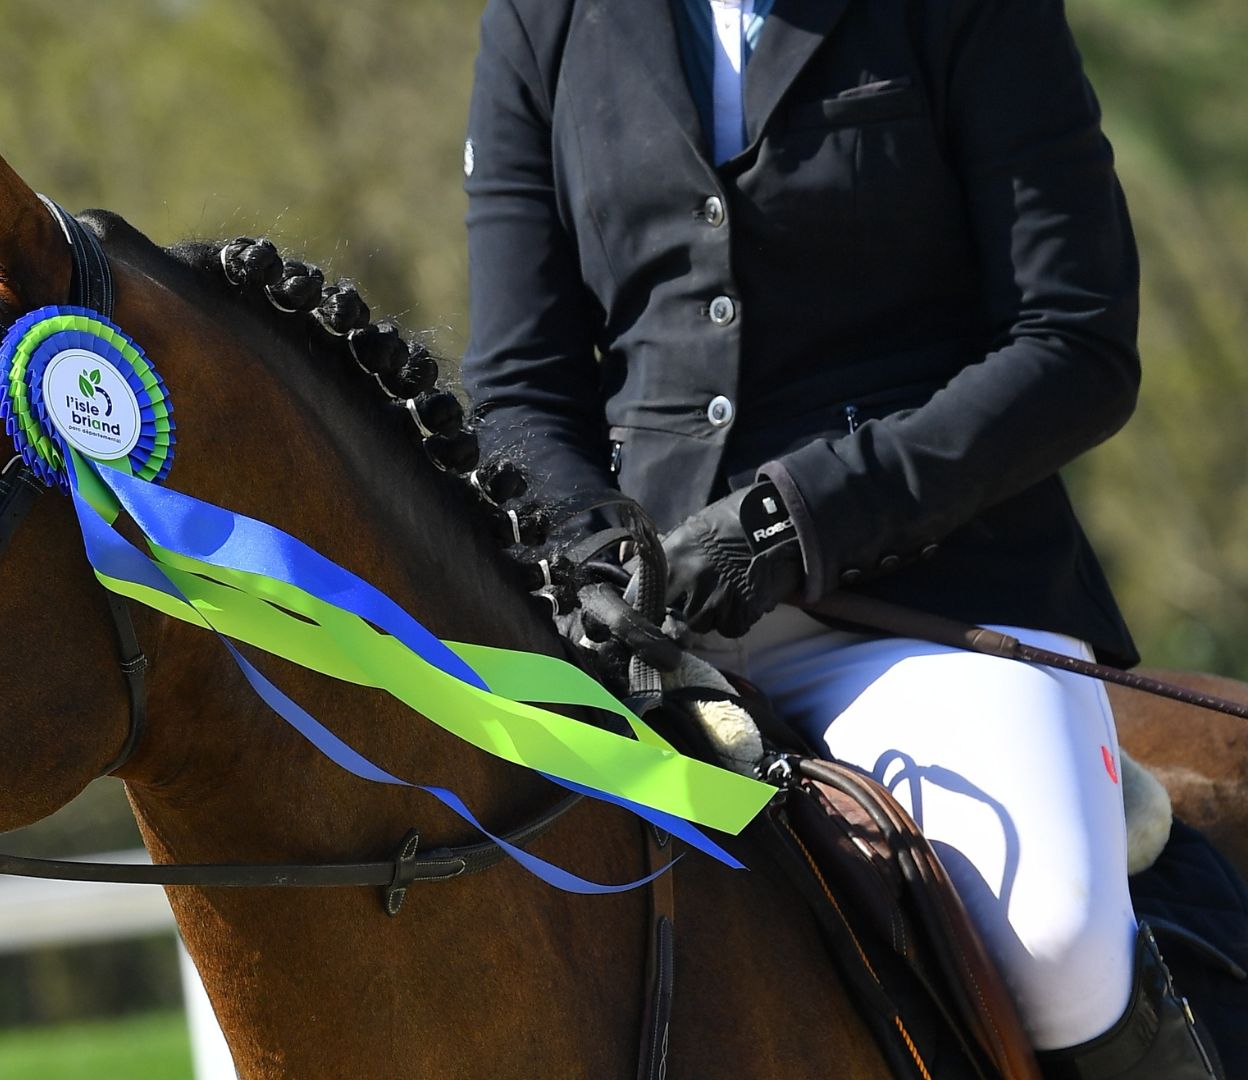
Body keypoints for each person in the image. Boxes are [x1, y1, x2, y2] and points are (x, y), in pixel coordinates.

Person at [461, 0, 1218, 1074]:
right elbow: (517, 391)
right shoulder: (546, 23)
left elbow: (1074, 342)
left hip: (930, 596)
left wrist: (798, 519)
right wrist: (596, 554)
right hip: (648, 627)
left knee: (1053, 938)